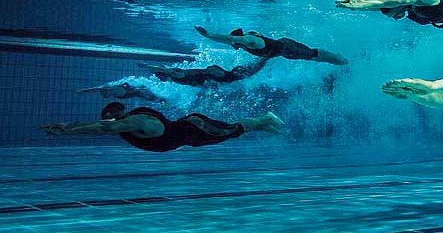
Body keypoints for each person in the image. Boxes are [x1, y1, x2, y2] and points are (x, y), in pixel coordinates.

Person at [38, 102, 283, 152]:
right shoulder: (125, 122)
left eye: (113, 120)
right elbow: (100, 125)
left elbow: (104, 128)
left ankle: (265, 118)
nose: (113, 124)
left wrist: (68, 132)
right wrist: (69, 125)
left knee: (232, 130)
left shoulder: (136, 121)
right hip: (189, 135)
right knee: (232, 133)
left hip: (194, 128)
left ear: (119, 115)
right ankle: (263, 125)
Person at [194, 26, 348, 65]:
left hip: (286, 47)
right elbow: (227, 40)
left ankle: (339, 59)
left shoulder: (248, 40)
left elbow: (228, 38)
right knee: (312, 56)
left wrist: (208, 34)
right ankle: (338, 59)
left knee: (312, 55)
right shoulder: (245, 43)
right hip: (284, 49)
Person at [141, 57, 271, 86]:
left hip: (217, 74)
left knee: (250, 71)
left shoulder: (176, 75)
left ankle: (266, 56)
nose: (160, 80)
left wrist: (147, 66)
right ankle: (264, 57)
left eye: (160, 77)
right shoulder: (177, 79)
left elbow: (165, 70)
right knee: (249, 70)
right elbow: (197, 83)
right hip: (215, 74)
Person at [77, 82, 165, 103]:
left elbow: (93, 89)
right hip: (123, 94)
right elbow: (93, 90)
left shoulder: (105, 88)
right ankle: (160, 99)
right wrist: (83, 91)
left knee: (139, 92)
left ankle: (159, 99)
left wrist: (82, 91)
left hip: (123, 91)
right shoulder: (104, 89)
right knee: (139, 93)